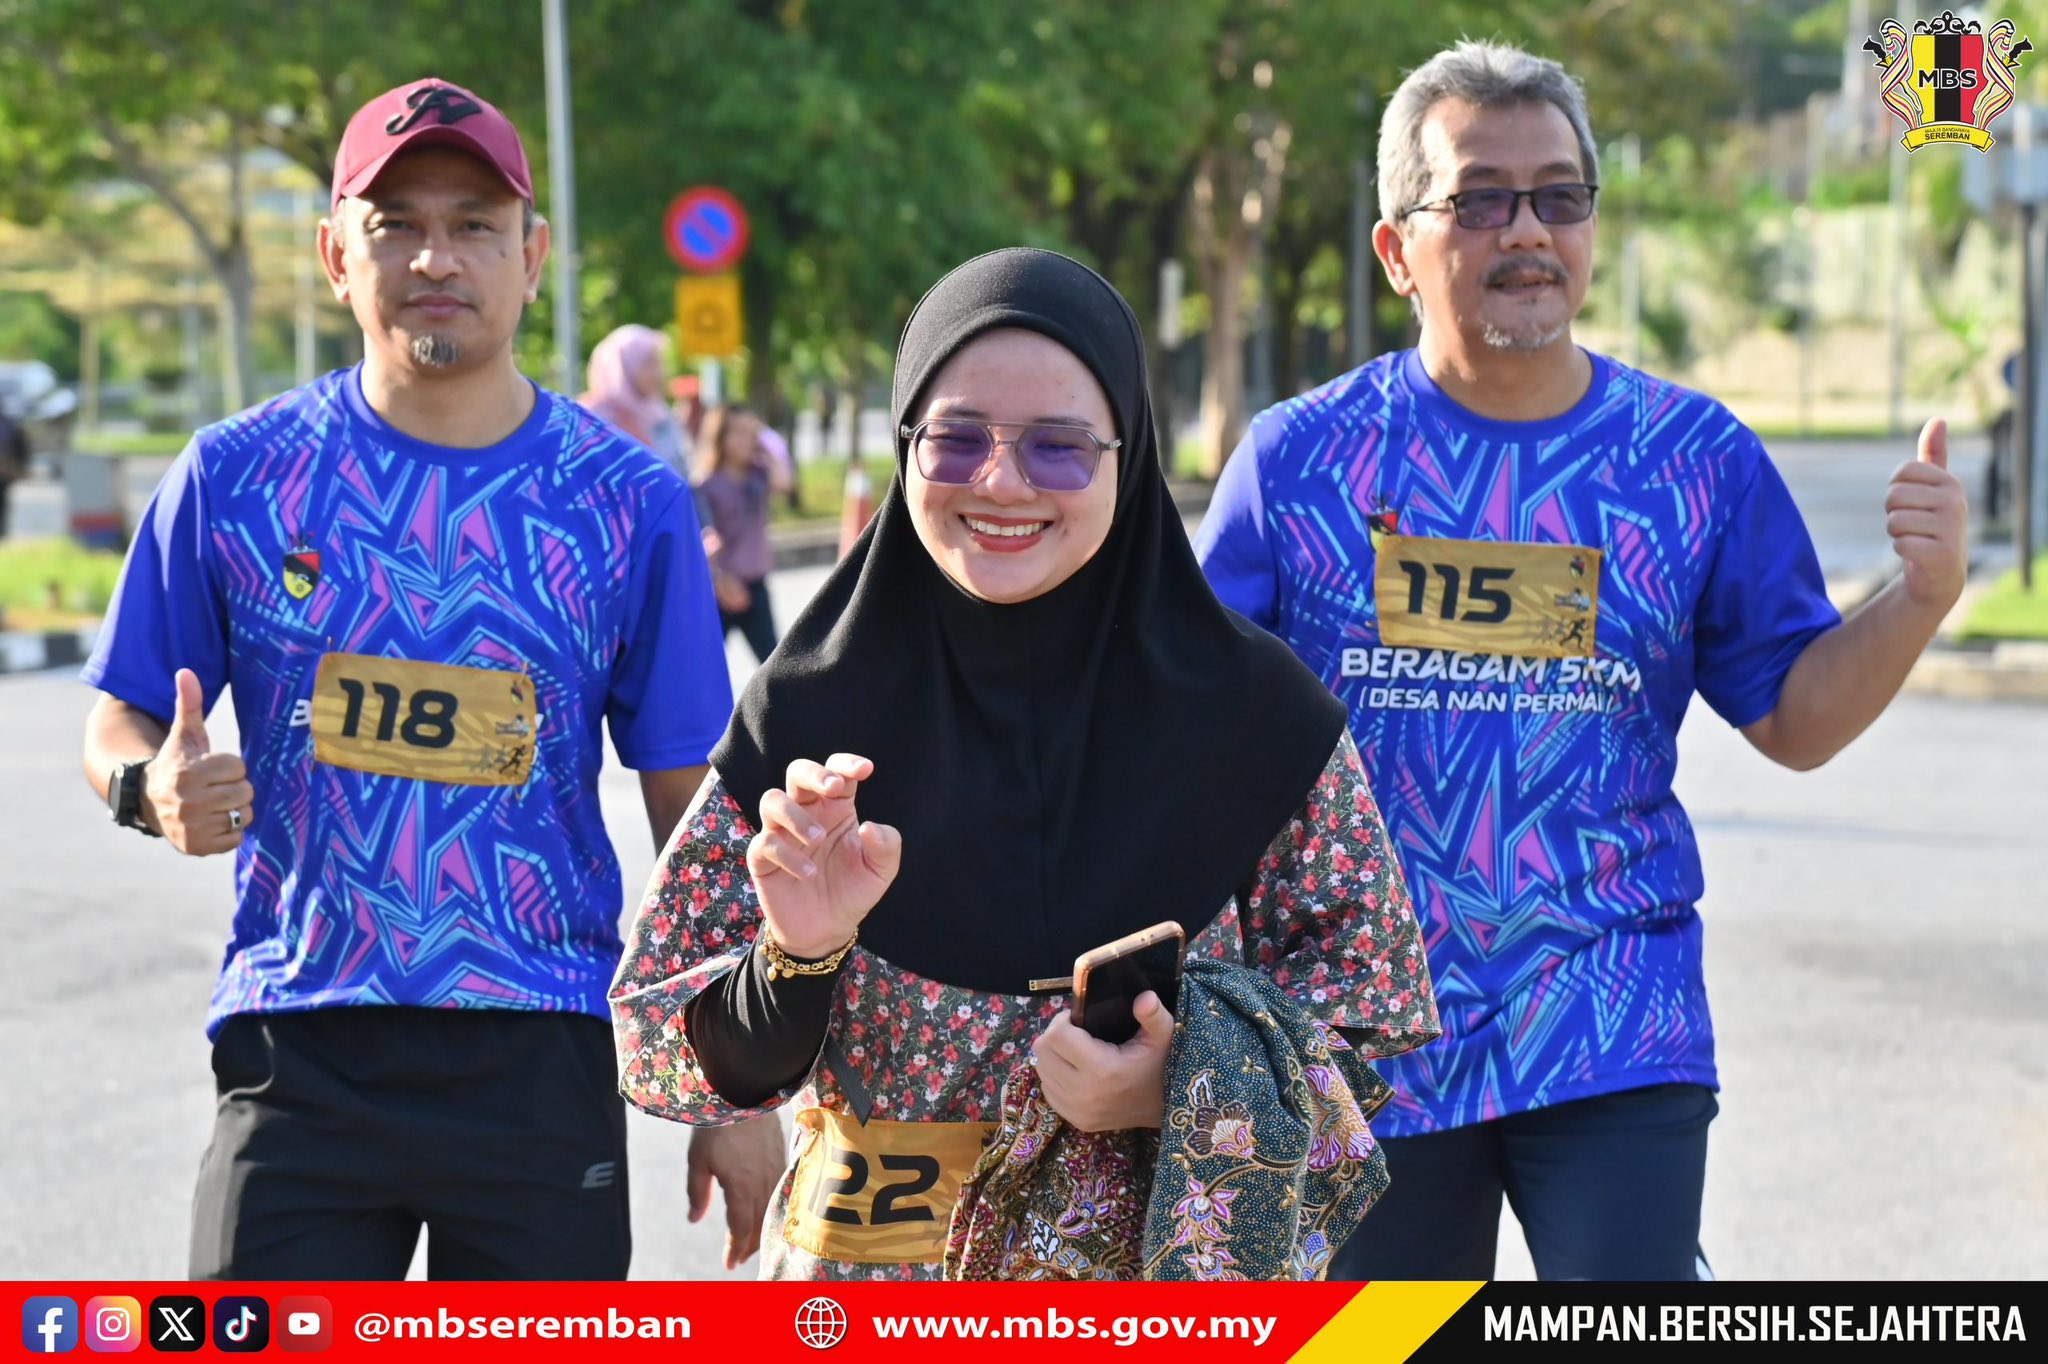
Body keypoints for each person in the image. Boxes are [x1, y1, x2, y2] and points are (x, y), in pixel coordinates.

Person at [1195, 41, 1970, 1282]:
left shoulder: (1692, 458)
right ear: (1395, 249)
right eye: (1479, 199)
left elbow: (1795, 716)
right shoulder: (1297, 463)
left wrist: (1918, 597)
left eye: (1558, 196)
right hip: (1359, 1029)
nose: (1526, 229)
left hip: (1609, 1014)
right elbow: (1185, 722)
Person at [610, 247, 1440, 1281]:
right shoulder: (809, 718)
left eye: (1060, 448)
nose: (1000, 482)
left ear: (1127, 456)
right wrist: (796, 957)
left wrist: (1179, 1086)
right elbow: (669, 1054)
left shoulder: (1256, 716)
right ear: (904, 445)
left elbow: (1368, 1011)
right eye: (955, 439)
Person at [77, 76, 779, 1280]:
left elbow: (690, 815)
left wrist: (735, 1080)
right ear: (334, 255)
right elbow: (121, 716)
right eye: (395, 222)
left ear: (531, 256)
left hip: (538, 1045)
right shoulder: (235, 477)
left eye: (473, 224)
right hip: (300, 1042)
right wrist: (148, 787)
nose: (434, 257)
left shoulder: (626, 502)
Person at [692, 403, 792, 663]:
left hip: (755, 584)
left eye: (752, 433)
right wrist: (719, 578)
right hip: (720, 587)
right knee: (706, 664)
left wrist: (765, 444)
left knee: (773, 662)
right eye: (739, 432)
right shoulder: (706, 483)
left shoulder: (759, 474)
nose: (747, 440)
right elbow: (703, 538)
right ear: (720, 436)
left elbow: (785, 483)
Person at [582, 324, 691, 477]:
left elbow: (680, 470)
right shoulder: (591, 418)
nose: (658, 374)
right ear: (623, 366)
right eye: (649, 364)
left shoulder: (659, 414)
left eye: (659, 363)